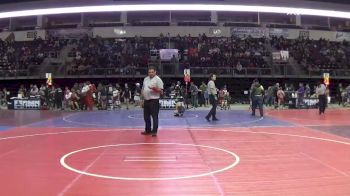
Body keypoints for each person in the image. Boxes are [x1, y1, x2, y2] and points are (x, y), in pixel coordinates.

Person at [141, 66, 164, 137]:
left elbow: (162, 92)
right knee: (146, 117)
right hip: (146, 100)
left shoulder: (158, 79)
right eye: (149, 72)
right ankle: (148, 130)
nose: (150, 73)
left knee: (154, 116)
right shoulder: (145, 79)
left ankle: (154, 131)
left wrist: (155, 89)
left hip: (154, 100)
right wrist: (142, 100)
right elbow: (143, 89)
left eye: (152, 72)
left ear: (155, 72)